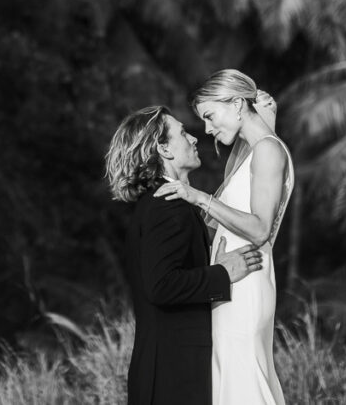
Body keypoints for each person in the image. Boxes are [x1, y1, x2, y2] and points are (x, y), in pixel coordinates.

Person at [105, 106, 264, 405]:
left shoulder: (165, 203)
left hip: (169, 374)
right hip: (171, 379)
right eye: (182, 132)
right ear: (163, 148)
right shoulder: (167, 206)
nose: (193, 138)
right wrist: (224, 273)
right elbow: (161, 285)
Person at [155, 71, 294, 405]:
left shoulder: (267, 151)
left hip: (245, 284)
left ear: (235, 104)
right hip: (232, 284)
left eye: (209, 116)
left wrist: (199, 197)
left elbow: (260, 228)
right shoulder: (259, 150)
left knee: (241, 381)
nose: (207, 129)